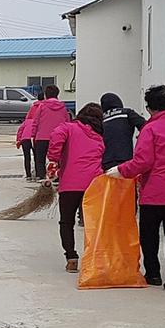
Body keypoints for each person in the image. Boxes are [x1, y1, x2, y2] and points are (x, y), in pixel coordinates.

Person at [106, 85, 165, 293]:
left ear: (152, 108)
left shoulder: (151, 129)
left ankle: (153, 273)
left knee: (149, 234)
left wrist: (120, 170)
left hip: (154, 192)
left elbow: (142, 162)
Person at [47, 103, 104, 273]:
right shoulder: (100, 135)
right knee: (93, 223)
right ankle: (94, 257)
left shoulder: (68, 128)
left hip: (71, 183)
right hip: (94, 184)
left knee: (67, 221)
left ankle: (71, 258)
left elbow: (56, 136)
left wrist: (53, 160)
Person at [30, 85, 69, 180]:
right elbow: (67, 123)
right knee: (59, 159)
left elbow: (36, 122)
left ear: (45, 95)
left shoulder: (42, 106)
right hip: (59, 137)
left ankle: (42, 178)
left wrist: (33, 135)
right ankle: (57, 176)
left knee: (40, 160)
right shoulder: (63, 108)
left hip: (42, 137)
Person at [100, 93, 147, 171]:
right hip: (125, 158)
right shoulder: (127, 113)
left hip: (106, 161)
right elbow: (145, 126)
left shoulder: (101, 119)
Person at [16, 117, 35, 181]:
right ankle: (38, 173)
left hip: (24, 139)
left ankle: (28, 175)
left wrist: (18, 140)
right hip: (34, 139)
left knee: (27, 157)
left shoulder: (26, 121)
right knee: (37, 158)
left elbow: (20, 130)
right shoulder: (38, 121)